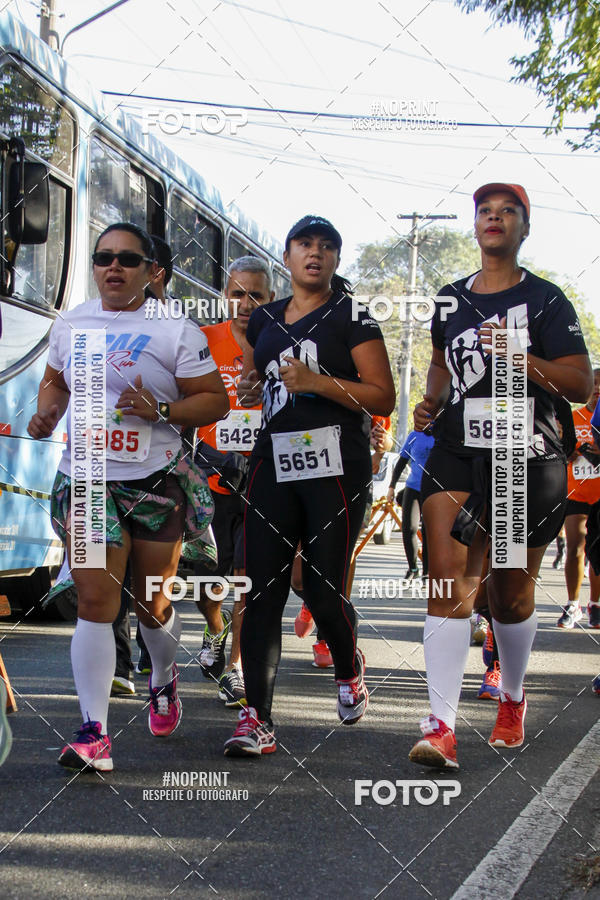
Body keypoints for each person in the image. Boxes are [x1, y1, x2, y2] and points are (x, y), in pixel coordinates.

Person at [27, 222, 228, 771]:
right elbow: (57, 381)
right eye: (104, 258)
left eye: (128, 260)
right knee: (94, 601)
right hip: (89, 477)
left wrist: (162, 411)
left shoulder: (175, 330)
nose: (113, 267)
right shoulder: (71, 323)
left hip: (155, 478)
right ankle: (94, 731)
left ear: (151, 272)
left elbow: (215, 402)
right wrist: (47, 411)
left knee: (151, 602)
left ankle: (163, 678)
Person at [409, 183, 591, 769]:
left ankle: (512, 698)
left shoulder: (546, 300)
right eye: (485, 211)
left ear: (523, 229)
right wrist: (433, 400)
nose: (494, 218)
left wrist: (522, 361)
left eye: (507, 211)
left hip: (523, 452)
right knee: (448, 578)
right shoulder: (449, 298)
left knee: (509, 596)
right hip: (458, 447)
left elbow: (581, 384)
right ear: (476, 226)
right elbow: (440, 361)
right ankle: (440, 724)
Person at [223, 215, 395, 756]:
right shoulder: (266, 318)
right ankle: (257, 718)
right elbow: (257, 382)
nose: (314, 253)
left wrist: (318, 383)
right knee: (260, 590)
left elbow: (383, 396)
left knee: (321, 590)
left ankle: (348, 666)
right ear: (288, 256)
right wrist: (253, 387)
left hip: (336, 465)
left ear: (336, 260)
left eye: (326, 246)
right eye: (304, 244)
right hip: (273, 464)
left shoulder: (354, 317)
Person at [193, 256, 274, 706]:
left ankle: (238, 669)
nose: (246, 304)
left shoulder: (280, 343)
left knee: (247, 576)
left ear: (270, 299)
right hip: (209, 474)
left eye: (256, 295)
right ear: (226, 296)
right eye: (238, 294)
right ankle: (214, 627)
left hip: (261, 476)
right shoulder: (203, 340)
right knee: (211, 577)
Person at [294, 414, 393, 668]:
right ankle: (314, 600)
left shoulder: (366, 380)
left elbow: (386, 437)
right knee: (297, 573)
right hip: (306, 473)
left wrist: (380, 452)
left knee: (342, 557)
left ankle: (329, 635)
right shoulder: (299, 378)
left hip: (351, 477)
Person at [557, 369, 600, 629]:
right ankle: (573, 604)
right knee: (575, 547)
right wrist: (569, 453)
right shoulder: (573, 417)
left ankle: (595, 603)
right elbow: (559, 448)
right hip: (576, 492)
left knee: (597, 552)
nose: (597, 388)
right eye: (593, 383)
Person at [386, 428, 434, 580]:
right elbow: (401, 462)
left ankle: (427, 571)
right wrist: (392, 486)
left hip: (433, 490)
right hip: (413, 487)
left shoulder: (441, 435)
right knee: (408, 528)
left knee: (428, 531)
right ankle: (413, 568)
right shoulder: (414, 436)